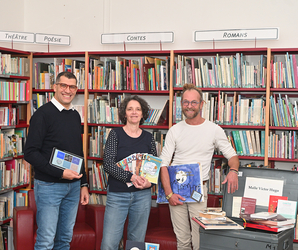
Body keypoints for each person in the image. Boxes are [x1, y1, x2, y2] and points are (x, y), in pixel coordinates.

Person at [159, 83, 240, 250]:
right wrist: (169, 194)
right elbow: (163, 164)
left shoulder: (214, 129)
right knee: (182, 241)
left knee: (199, 242)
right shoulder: (174, 130)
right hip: (175, 191)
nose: (189, 106)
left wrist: (233, 171)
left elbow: (232, 156)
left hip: (198, 191)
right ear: (181, 104)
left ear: (202, 104)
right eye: (186, 102)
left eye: (194, 102)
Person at [24, 71, 89, 250]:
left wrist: (83, 184)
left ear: (76, 90)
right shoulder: (42, 115)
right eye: (63, 86)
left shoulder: (75, 115)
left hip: (74, 186)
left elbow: (78, 152)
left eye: (72, 87)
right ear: (55, 87)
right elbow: (29, 153)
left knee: (64, 240)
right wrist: (60, 173)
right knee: (46, 240)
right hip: (49, 187)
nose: (68, 90)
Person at [101, 95, 157, 250]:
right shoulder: (115, 134)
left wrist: (149, 182)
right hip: (118, 195)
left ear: (143, 113)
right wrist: (131, 177)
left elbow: (154, 168)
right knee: (109, 242)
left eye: (138, 109)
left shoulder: (149, 138)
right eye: (130, 109)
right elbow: (108, 164)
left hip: (142, 197)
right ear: (124, 113)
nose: (134, 112)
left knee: (136, 243)